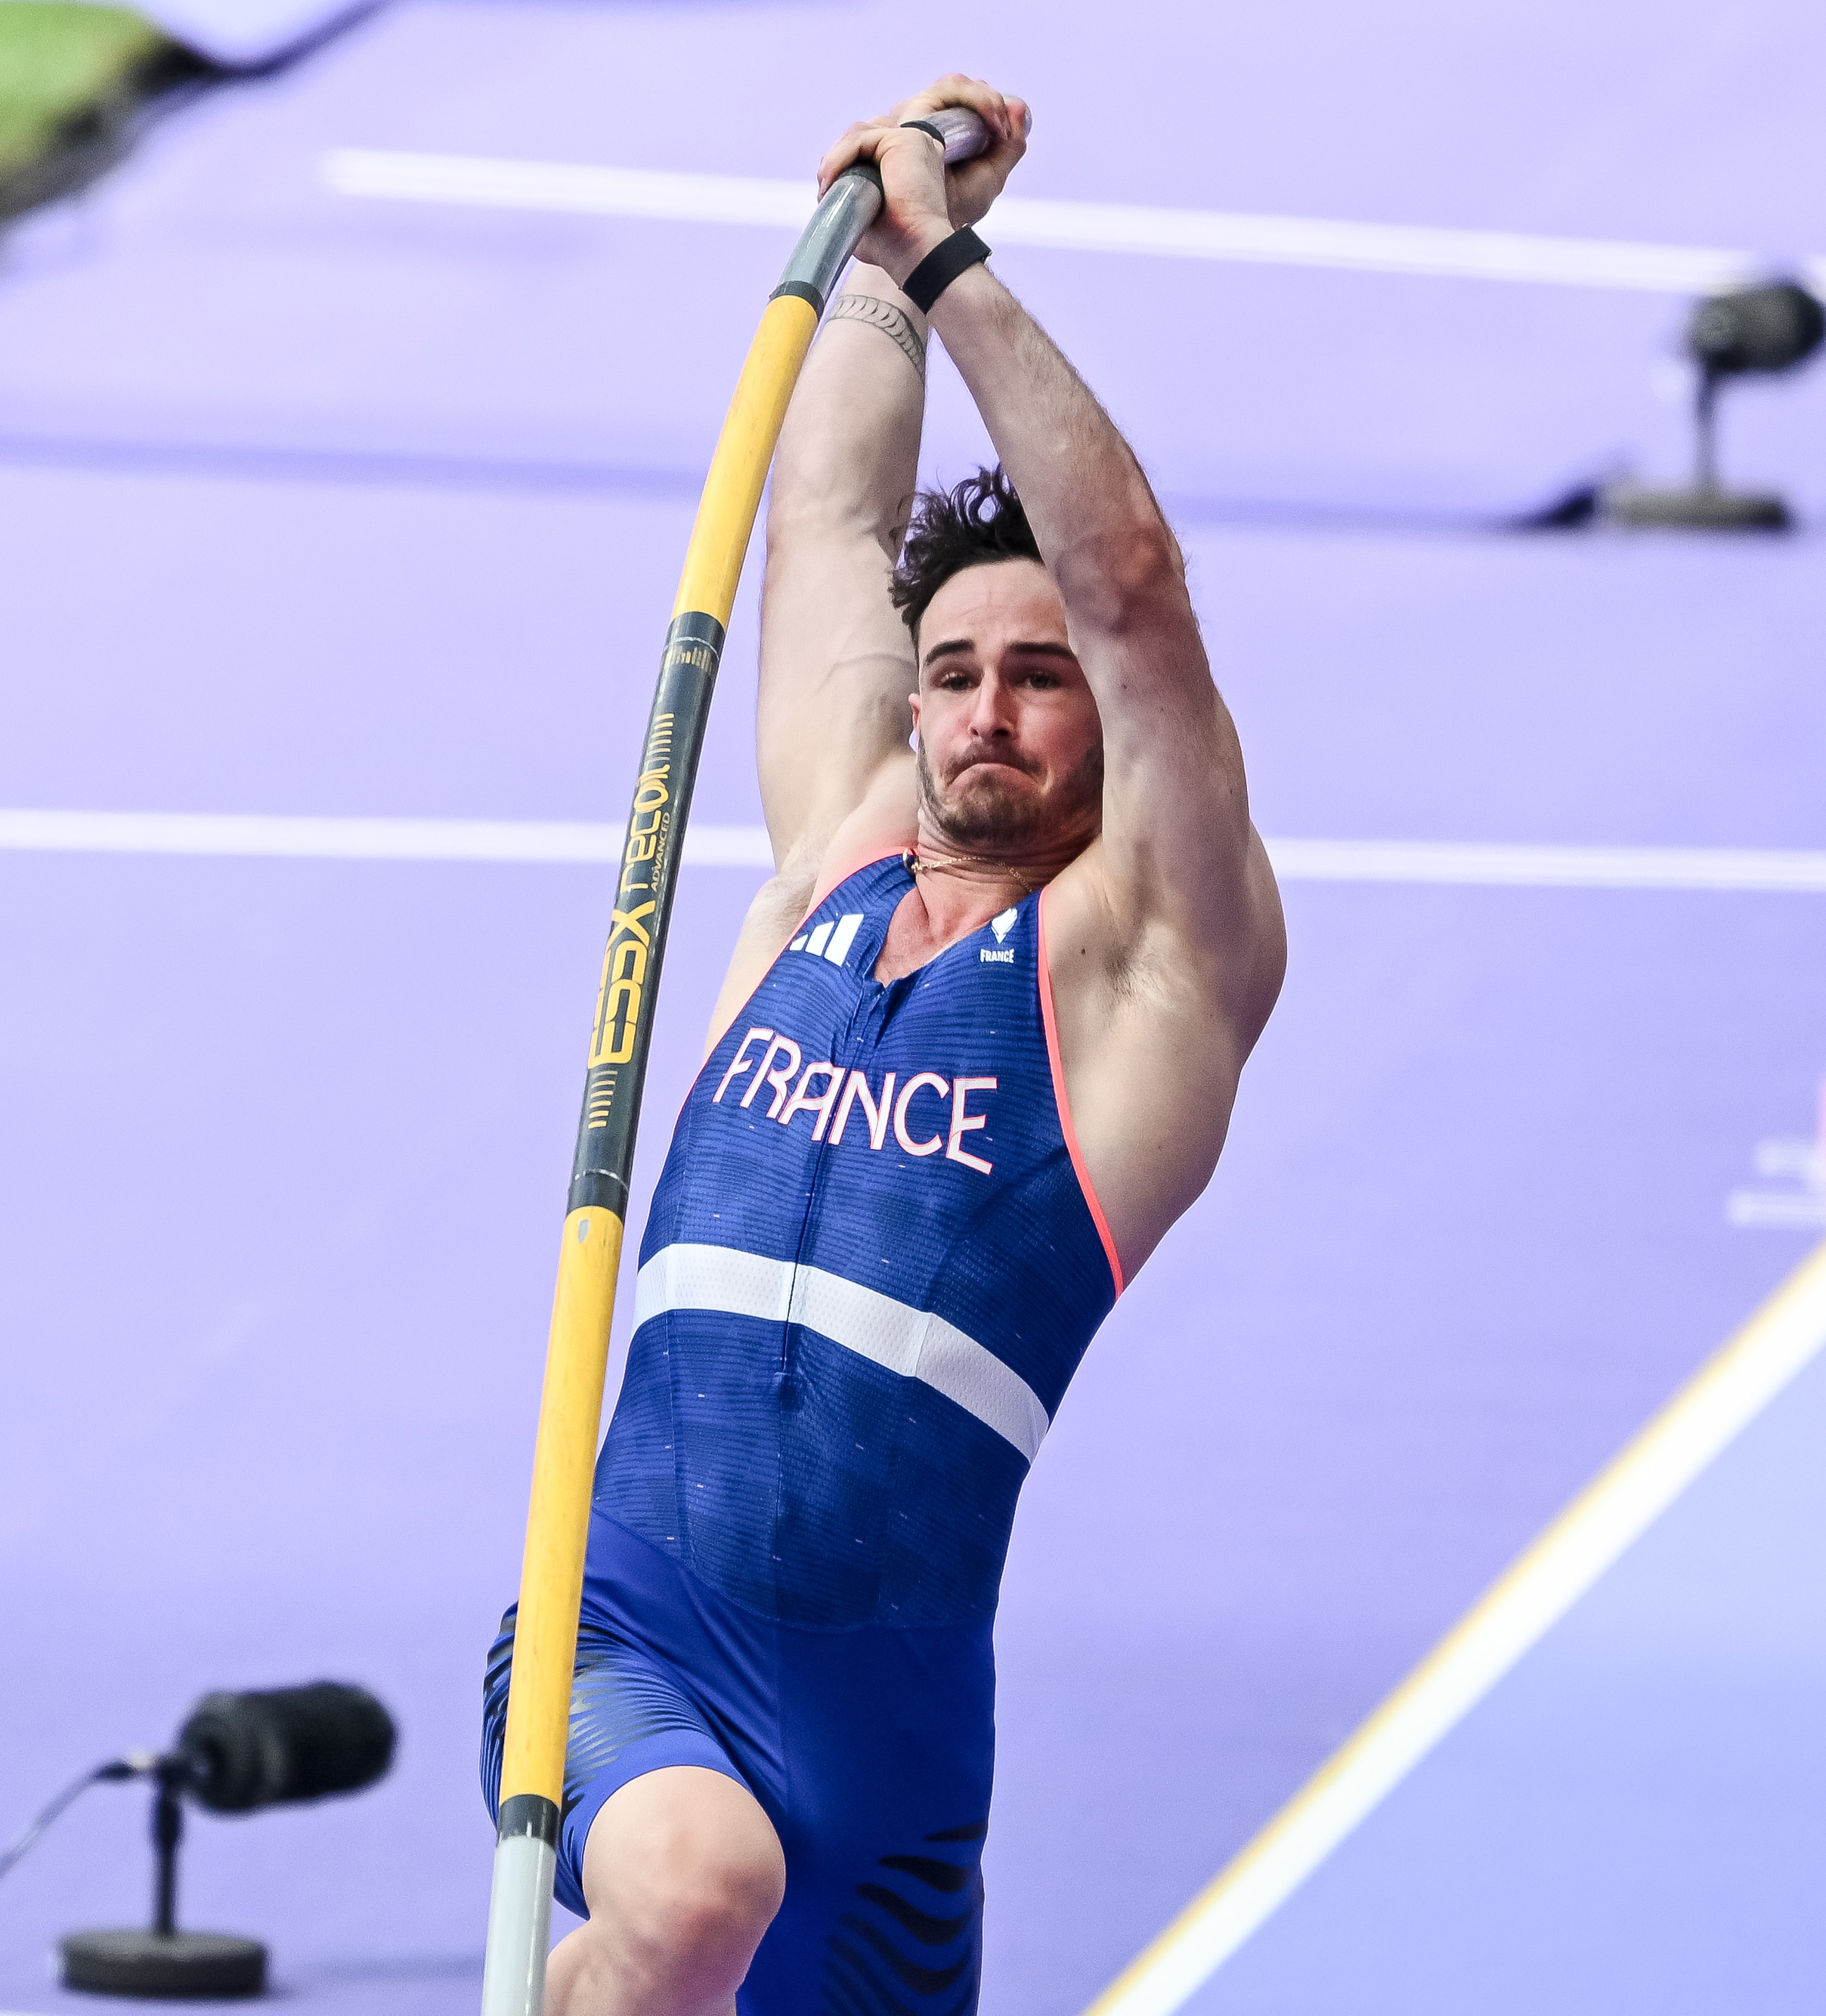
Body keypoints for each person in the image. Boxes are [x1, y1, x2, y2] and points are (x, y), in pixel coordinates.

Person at [481, 75, 1288, 2016]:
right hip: (628, 1621)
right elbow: (829, 511)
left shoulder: (1149, 976)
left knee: (730, 1924)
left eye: (1037, 676)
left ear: (1104, 719)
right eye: (949, 673)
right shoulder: (832, 853)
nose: (984, 710)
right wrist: (865, 258)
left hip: (893, 1746)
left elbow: (1135, 585)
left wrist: (958, 263)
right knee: (688, 1889)